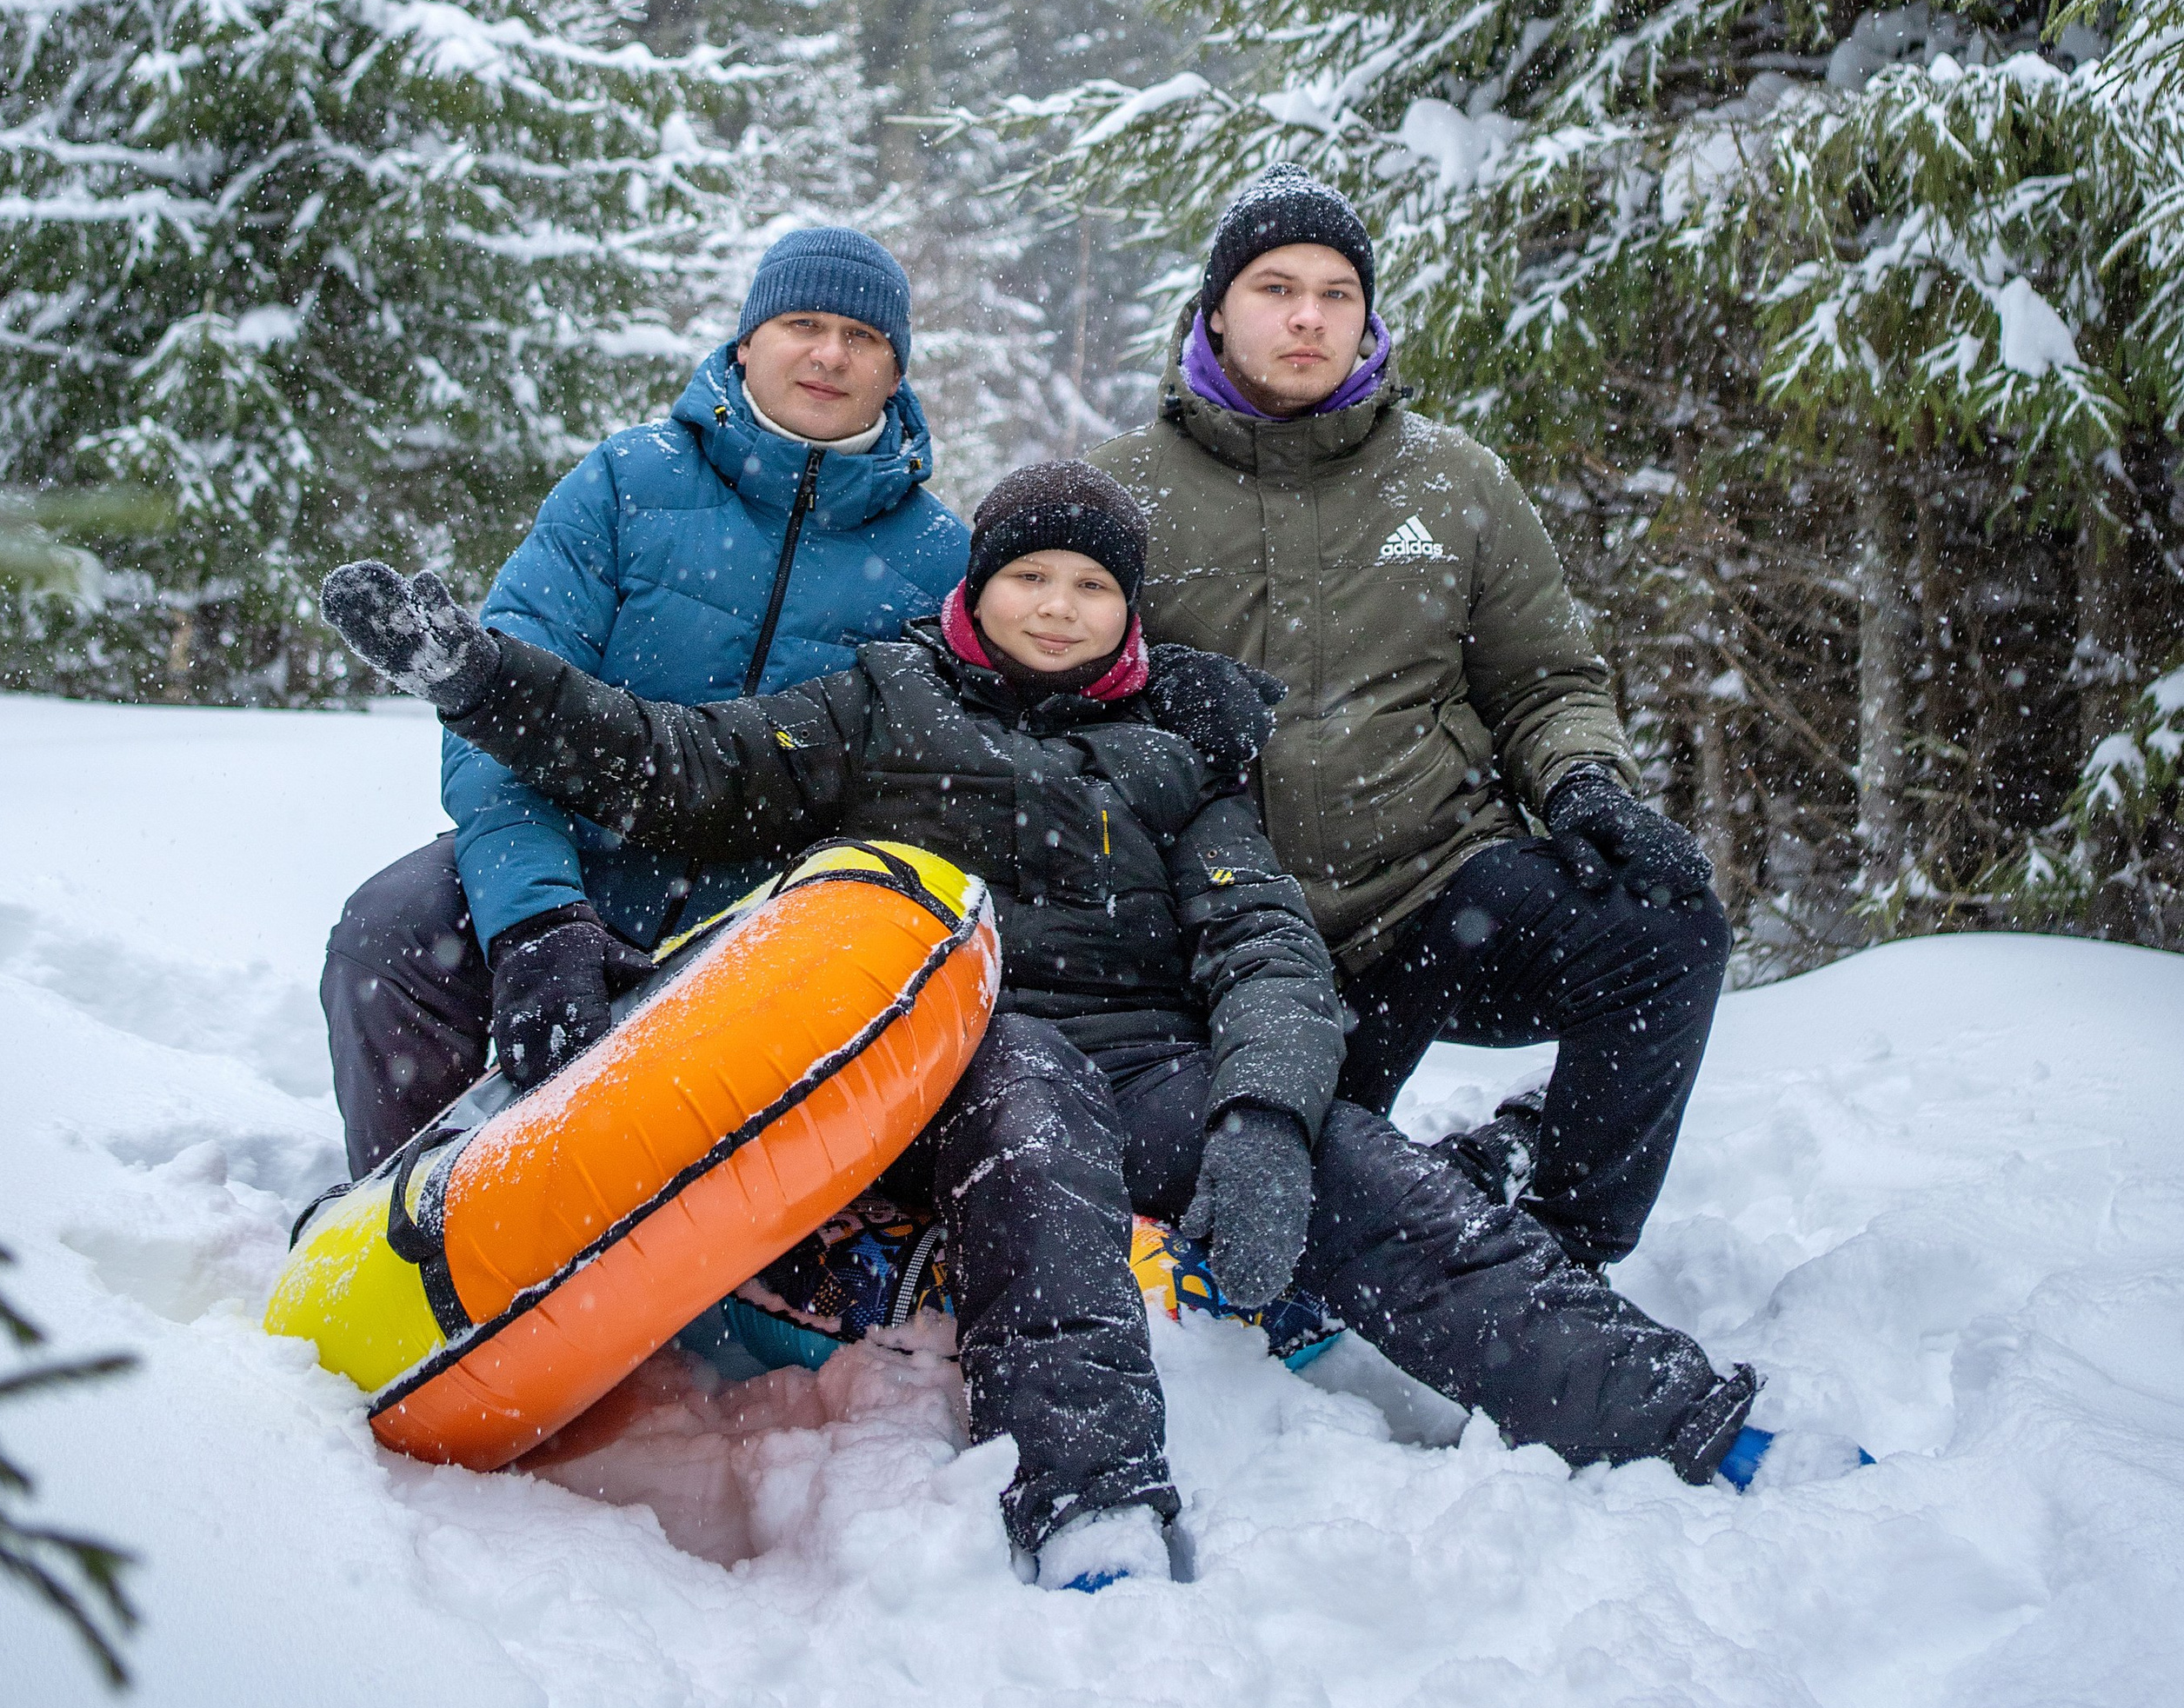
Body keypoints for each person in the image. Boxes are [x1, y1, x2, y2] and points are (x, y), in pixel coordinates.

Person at [321, 461, 1764, 1593]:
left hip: (1146, 1048)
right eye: (1031, 576)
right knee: (1037, 1142)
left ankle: (1680, 1416)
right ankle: (1091, 1500)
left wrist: (1264, 1120)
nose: (1060, 606)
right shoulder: (880, 702)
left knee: (1379, 1180)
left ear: (1128, 612)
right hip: (943, 1036)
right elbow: (677, 766)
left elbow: (1267, 950)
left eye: (1092, 584)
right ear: (982, 588)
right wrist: (480, 677)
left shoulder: (1175, 758)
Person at [1090, 168, 1731, 1274]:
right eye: (1274, 287)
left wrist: (1584, 782)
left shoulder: (1455, 482)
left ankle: (1558, 1248)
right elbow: (1030, 698)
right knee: (1285, 1204)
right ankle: (1425, 1164)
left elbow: (1546, 681)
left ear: (1367, 315)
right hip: (1236, 945)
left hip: (1432, 898)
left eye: (1337, 293)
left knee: (1666, 934)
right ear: (1213, 311)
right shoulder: (1116, 493)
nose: (1307, 317)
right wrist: (1143, 703)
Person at [319, 226, 969, 1172]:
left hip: (768, 924)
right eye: (802, 323)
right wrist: (538, 920)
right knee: (395, 933)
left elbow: (919, 787)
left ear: (895, 369)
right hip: (579, 864)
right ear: (748, 341)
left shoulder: (940, 558)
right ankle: (409, 1215)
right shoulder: (627, 483)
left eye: (862, 337)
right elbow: (499, 718)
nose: (829, 354)